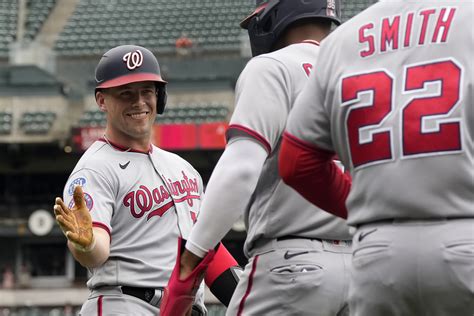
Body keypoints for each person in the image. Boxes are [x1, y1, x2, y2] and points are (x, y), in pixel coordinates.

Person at [279, 2, 474, 316]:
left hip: (377, 253)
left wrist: (363, 209)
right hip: (465, 235)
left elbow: (297, 161)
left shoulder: (343, 39)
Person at [161, 1, 353, 315]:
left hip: (292, 263)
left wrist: (192, 256)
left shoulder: (274, 66)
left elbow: (241, 170)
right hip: (364, 265)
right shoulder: (362, 69)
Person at [53, 44, 240, 316]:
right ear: (102, 100)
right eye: (125, 93)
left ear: (159, 96)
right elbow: (96, 250)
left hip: (183, 308)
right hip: (124, 304)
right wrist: (88, 244)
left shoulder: (183, 169)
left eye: (146, 91)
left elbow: (203, 246)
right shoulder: (93, 170)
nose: (138, 102)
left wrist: (248, 296)